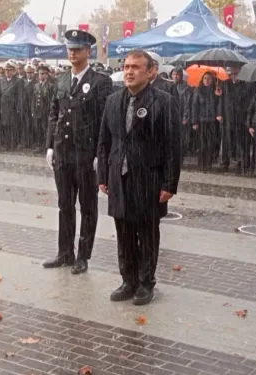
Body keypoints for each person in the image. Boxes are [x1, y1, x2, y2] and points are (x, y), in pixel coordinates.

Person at [97, 49, 181, 305]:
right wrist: (103, 174)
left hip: (149, 180)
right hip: (118, 179)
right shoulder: (113, 101)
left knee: (146, 234)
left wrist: (169, 183)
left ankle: (146, 282)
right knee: (123, 232)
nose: (130, 71)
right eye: (127, 67)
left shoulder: (163, 102)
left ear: (151, 71)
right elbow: (104, 141)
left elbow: (173, 146)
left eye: (136, 67)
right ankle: (128, 280)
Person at [43, 29, 112, 274]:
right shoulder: (61, 80)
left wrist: (100, 154)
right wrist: (50, 145)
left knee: (88, 207)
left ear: (88, 52)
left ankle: (83, 255)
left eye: (78, 49)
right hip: (63, 153)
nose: (73, 53)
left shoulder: (100, 82)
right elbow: (54, 115)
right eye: (70, 49)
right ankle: (65, 252)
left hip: (86, 155)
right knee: (65, 205)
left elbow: (105, 121)